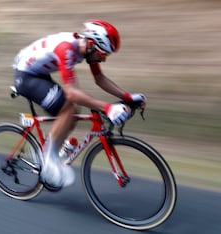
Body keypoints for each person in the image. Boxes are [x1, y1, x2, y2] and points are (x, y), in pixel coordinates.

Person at [12, 19, 146, 188]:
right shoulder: (66, 48)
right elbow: (72, 93)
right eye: (103, 54)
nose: (103, 60)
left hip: (39, 73)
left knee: (74, 111)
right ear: (91, 43)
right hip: (26, 77)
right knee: (69, 106)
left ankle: (54, 145)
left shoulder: (88, 48)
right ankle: (48, 157)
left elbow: (100, 79)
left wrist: (127, 96)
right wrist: (108, 107)